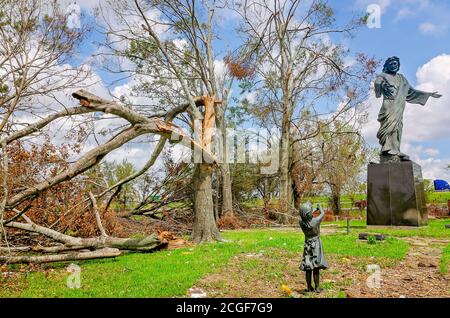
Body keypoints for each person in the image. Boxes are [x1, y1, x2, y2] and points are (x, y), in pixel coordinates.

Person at [374, 56, 441, 163]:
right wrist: (379, 84)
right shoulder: (382, 76)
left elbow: (411, 91)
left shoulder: (402, 79)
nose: (394, 65)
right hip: (389, 104)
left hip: (399, 107)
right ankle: (387, 148)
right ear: (387, 66)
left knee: (398, 127)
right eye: (392, 64)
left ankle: (395, 150)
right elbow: (377, 91)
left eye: (396, 64)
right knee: (388, 126)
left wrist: (428, 94)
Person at [299, 202, 328, 293]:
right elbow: (322, 213)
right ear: (309, 213)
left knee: (308, 267)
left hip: (307, 245)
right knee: (316, 267)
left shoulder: (301, 223)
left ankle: (308, 287)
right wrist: (319, 207)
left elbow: (306, 217)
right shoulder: (315, 221)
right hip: (316, 245)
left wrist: (312, 211)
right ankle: (317, 288)